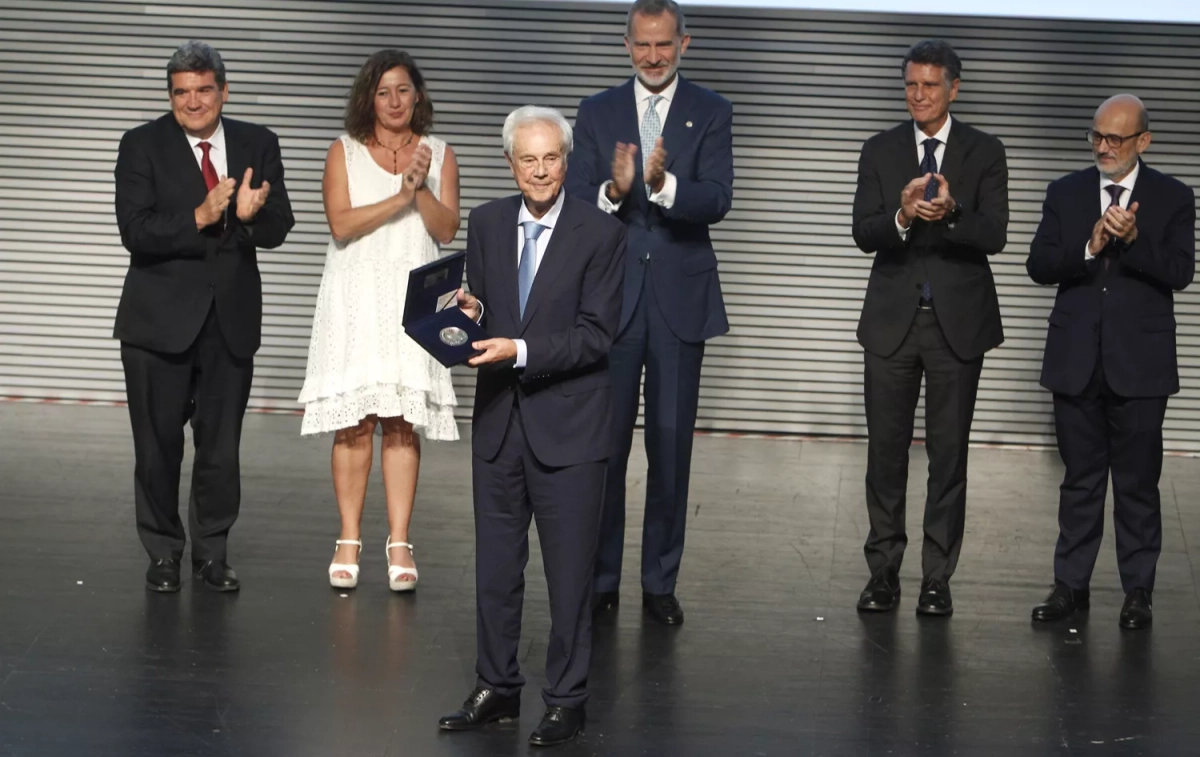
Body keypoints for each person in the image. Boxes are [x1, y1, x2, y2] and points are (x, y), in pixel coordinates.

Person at [438, 106, 625, 747]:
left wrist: (517, 349)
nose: (540, 170)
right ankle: (498, 686)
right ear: (510, 163)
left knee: (570, 574)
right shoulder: (488, 222)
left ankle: (567, 699)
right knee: (496, 567)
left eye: (551, 158)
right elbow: (495, 301)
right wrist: (473, 308)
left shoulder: (601, 234)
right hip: (498, 422)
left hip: (570, 427)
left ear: (566, 162)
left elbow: (597, 336)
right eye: (528, 159)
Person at [565, 0, 732, 626]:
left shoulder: (712, 111)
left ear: (684, 43)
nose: (654, 56)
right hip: (608, 302)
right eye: (643, 45)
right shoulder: (597, 110)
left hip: (678, 304)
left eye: (665, 45)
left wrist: (662, 186)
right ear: (627, 44)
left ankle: (659, 582)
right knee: (603, 450)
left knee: (670, 448)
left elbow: (718, 197)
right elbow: (577, 195)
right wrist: (615, 189)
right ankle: (601, 578)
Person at [113, 41, 294, 593]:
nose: (193, 102)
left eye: (203, 90)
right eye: (181, 92)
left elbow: (279, 225)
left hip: (229, 321)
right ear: (171, 95)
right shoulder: (141, 145)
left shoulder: (257, 143)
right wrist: (199, 215)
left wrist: (247, 218)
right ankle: (164, 552)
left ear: (223, 89)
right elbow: (135, 232)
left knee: (220, 448)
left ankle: (212, 553)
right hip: (156, 324)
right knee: (157, 445)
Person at [850, 39, 1008, 616]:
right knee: (885, 453)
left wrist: (953, 212)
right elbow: (863, 230)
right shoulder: (882, 148)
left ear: (954, 89)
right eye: (911, 84)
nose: (918, 95)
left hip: (956, 326)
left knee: (949, 455)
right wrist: (903, 214)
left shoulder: (985, 151)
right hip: (892, 322)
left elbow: (995, 234)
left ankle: (937, 578)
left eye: (930, 85)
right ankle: (883, 573)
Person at [1026, 95, 1195, 630]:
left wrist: (1135, 241)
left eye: (1115, 139)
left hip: (1140, 365)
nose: (1103, 146)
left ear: (1143, 141)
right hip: (1076, 359)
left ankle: (1137, 592)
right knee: (1080, 480)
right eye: (1096, 136)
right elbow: (1038, 265)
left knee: (1138, 483)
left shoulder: (1173, 197)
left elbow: (1179, 272)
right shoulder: (1066, 192)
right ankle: (1070, 586)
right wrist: (1088, 245)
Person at [298, 50, 461, 592]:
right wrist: (399, 198)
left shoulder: (438, 153)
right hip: (354, 297)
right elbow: (341, 225)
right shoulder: (343, 151)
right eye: (384, 91)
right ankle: (348, 537)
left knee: (399, 422)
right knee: (354, 422)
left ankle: (399, 541)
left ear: (419, 96)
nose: (394, 101)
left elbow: (445, 230)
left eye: (404, 91)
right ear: (369, 96)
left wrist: (422, 192)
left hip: (413, 299)